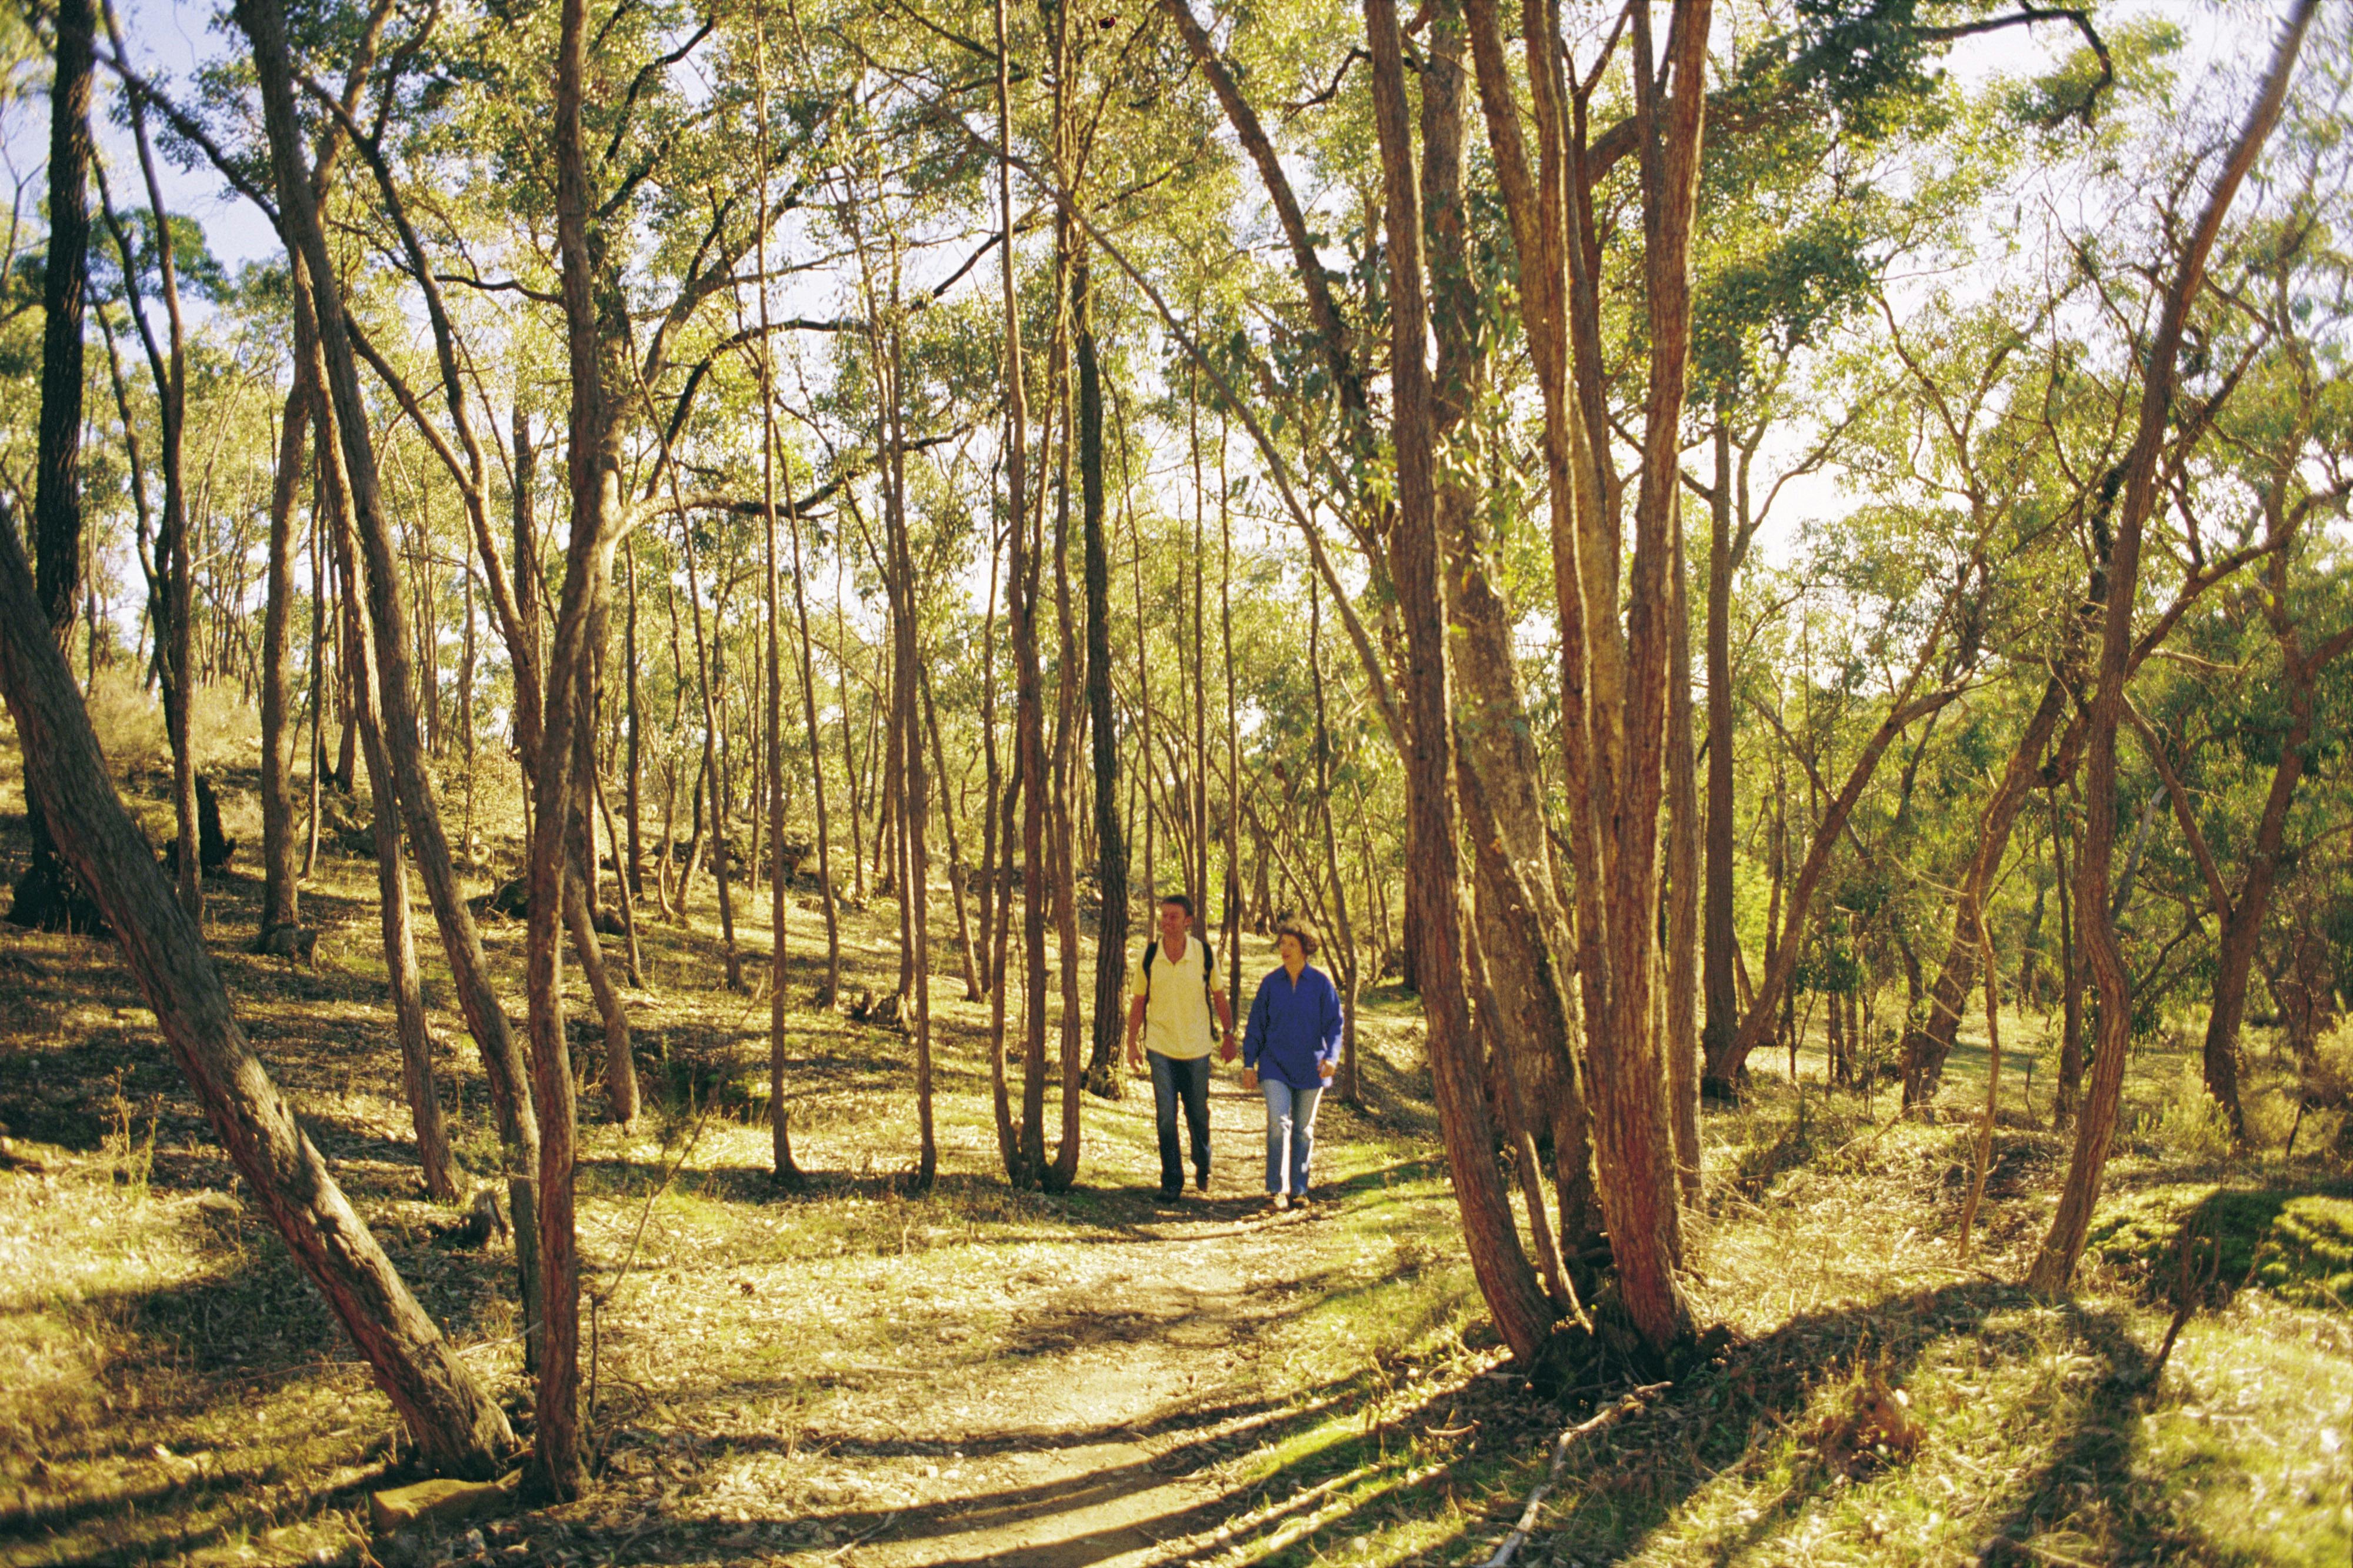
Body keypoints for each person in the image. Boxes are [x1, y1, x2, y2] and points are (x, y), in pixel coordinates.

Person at [1124, 894, 1235, 1201]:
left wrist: (1228, 1035)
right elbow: (1138, 1002)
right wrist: (1132, 1043)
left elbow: (1219, 997)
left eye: (1173, 917)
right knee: (1165, 1115)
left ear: (1188, 922)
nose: (1166, 922)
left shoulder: (1203, 955)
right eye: (1163, 916)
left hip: (1198, 1047)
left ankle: (1203, 1162)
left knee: (1198, 1113)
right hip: (1160, 1046)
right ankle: (1172, 1180)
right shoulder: (1150, 956)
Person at [1239, 919, 1342, 1213]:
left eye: (1291, 945)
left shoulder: (1321, 984)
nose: (1284, 949)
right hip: (1275, 1066)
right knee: (1278, 1123)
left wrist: (1332, 1057)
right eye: (1282, 943)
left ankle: (1299, 1190)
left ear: (1305, 949)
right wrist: (1250, 1063)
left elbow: (1336, 1025)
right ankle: (1275, 1190)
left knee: (1304, 1130)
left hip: (1311, 1068)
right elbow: (1256, 1025)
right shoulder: (1271, 984)